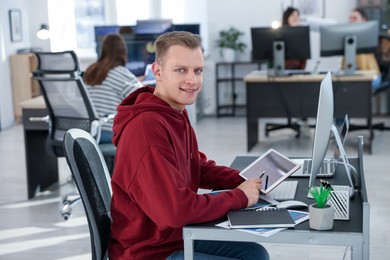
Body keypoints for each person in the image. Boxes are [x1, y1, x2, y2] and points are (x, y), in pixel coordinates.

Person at [109, 31, 270, 259]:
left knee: (255, 253)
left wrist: (245, 179)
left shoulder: (173, 112)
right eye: (181, 70)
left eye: (198, 70)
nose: (192, 80)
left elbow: (198, 167)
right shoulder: (147, 129)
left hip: (171, 237)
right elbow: (174, 211)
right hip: (148, 251)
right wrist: (239, 197)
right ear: (158, 71)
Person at [83, 33, 142, 143]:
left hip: (90, 131)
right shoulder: (120, 73)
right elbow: (142, 97)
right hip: (109, 132)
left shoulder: (91, 70)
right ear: (123, 51)